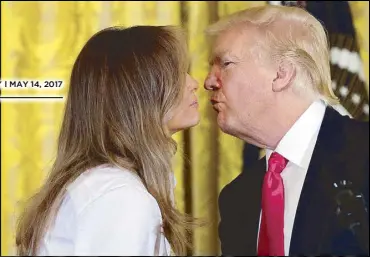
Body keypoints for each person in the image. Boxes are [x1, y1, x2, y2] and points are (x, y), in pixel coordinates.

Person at [16, 25, 200, 256]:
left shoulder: (107, 186)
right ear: (139, 93)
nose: (194, 82)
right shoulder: (120, 197)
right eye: (177, 74)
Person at [204, 5, 369, 256]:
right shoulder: (237, 198)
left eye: (225, 64)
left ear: (282, 74)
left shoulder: (363, 155)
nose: (209, 81)